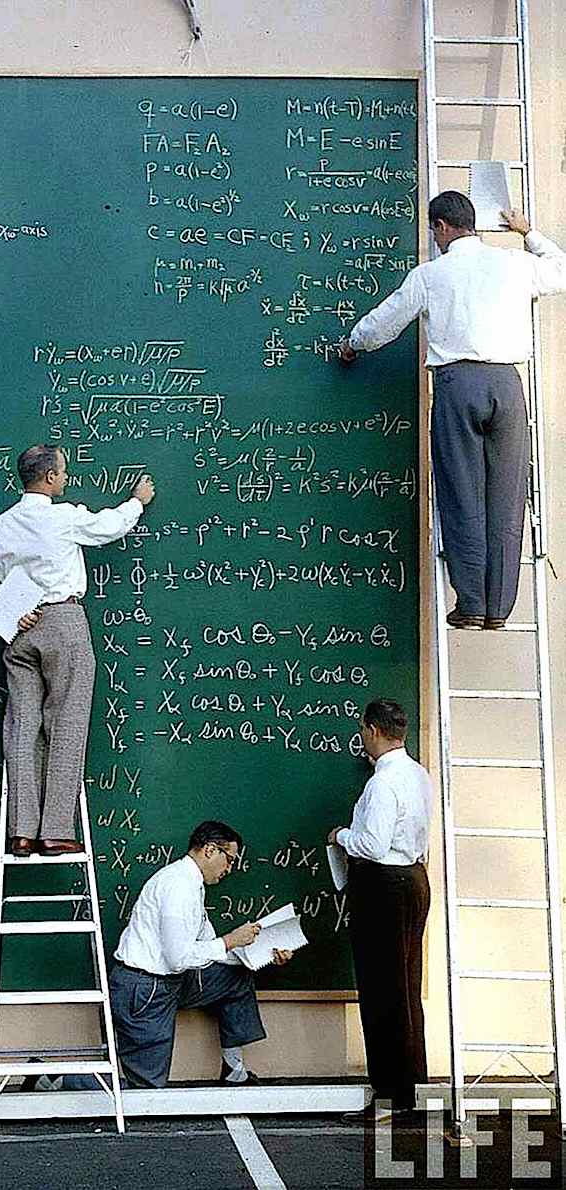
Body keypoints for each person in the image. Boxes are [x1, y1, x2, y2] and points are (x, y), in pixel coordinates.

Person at [338, 192, 566, 630]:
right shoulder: (515, 264)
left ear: (441, 227)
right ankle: (499, 608)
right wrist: (528, 232)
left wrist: (352, 344)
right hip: (506, 384)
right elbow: (560, 268)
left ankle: (472, 602)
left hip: (458, 384)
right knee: (506, 498)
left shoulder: (431, 274)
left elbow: (386, 321)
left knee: (462, 495)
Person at [0, 444, 155, 856]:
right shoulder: (61, 517)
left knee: (23, 726)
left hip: (17, 628)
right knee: (67, 723)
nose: (67, 478)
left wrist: (9, 611)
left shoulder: (0, 526)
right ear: (51, 478)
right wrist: (137, 502)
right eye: (65, 472)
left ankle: (21, 831)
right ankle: (55, 830)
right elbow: (108, 527)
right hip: (63, 622)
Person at [107, 820, 291, 1089]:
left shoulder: (193, 884)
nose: (230, 869)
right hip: (145, 990)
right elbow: (179, 958)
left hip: (172, 982)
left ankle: (233, 1071)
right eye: (229, 860)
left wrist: (262, 953)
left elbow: (210, 947)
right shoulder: (178, 886)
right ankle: (55, 1078)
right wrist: (228, 941)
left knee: (235, 976)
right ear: (209, 850)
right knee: (146, 1091)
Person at [327, 698, 432, 1123]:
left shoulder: (381, 785)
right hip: (414, 879)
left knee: (380, 993)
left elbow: (370, 844)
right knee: (406, 987)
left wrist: (340, 835)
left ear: (372, 730)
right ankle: (412, 1091)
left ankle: (387, 1098)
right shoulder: (419, 774)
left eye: (362, 730)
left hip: (383, 886)